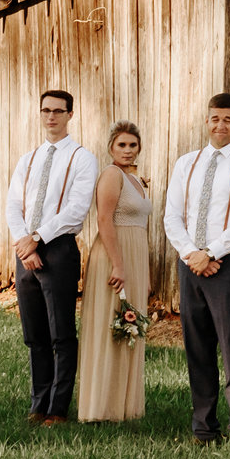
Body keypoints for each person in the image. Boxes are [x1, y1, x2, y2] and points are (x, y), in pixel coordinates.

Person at [162, 92, 230, 444]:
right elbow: (172, 216)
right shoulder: (186, 163)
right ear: (206, 121)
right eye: (214, 118)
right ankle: (204, 428)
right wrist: (193, 253)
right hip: (190, 264)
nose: (220, 125)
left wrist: (212, 251)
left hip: (229, 264)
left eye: (227, 119)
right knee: (197, 347)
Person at [8, 89, 98, 427]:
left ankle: (58, 408)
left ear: (70, 115)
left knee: (61, 332)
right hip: (25, 250)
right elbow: (12, 204)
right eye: (46, 110)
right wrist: (23, 242)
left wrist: (37, 239)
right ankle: (38, 402)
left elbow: (76, 208)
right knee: (34, 333)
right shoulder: (28, 159)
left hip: (57, 248)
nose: (51, 117)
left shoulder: (81, 158)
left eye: (58, 111)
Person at [74, 122, 154, 425]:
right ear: (111, 148)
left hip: (134, 253)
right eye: (122, 145)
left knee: (130, 327)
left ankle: (125, 404)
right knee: (111, 326)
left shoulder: (134, 180)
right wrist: (118, 264)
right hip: (113, 254)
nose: (127, 150)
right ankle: (101, 406)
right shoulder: (110, 175)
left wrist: (143, 273)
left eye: (133, 145)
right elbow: (104, 220)